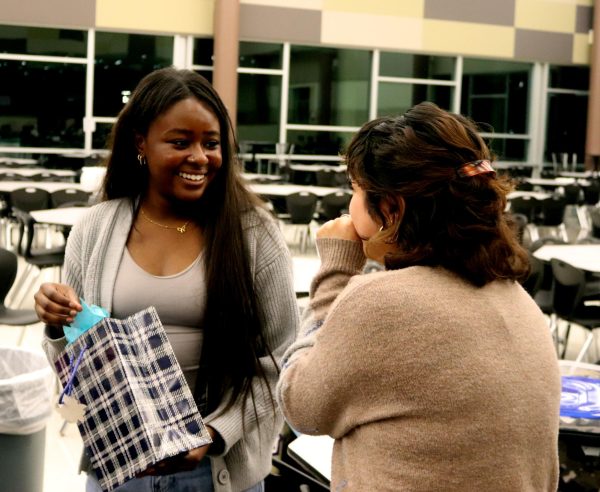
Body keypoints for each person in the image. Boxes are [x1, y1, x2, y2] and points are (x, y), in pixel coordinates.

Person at [34, 67, 299, 492]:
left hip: (217, 470)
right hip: (121, 467)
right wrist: (55, 323)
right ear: (141, 142)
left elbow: (283, 360)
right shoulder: (96, 228)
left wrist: (214, 434)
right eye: (180, 142)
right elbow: (75, 365)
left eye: (211, 143)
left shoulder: (254, 234)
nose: (199, 157)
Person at [276, 102, 561, 491]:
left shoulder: (382, 304)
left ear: (391, 209)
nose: (349, 206)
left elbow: (301, 407)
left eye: (355, 191)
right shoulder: (515, 298)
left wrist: (337, 272)